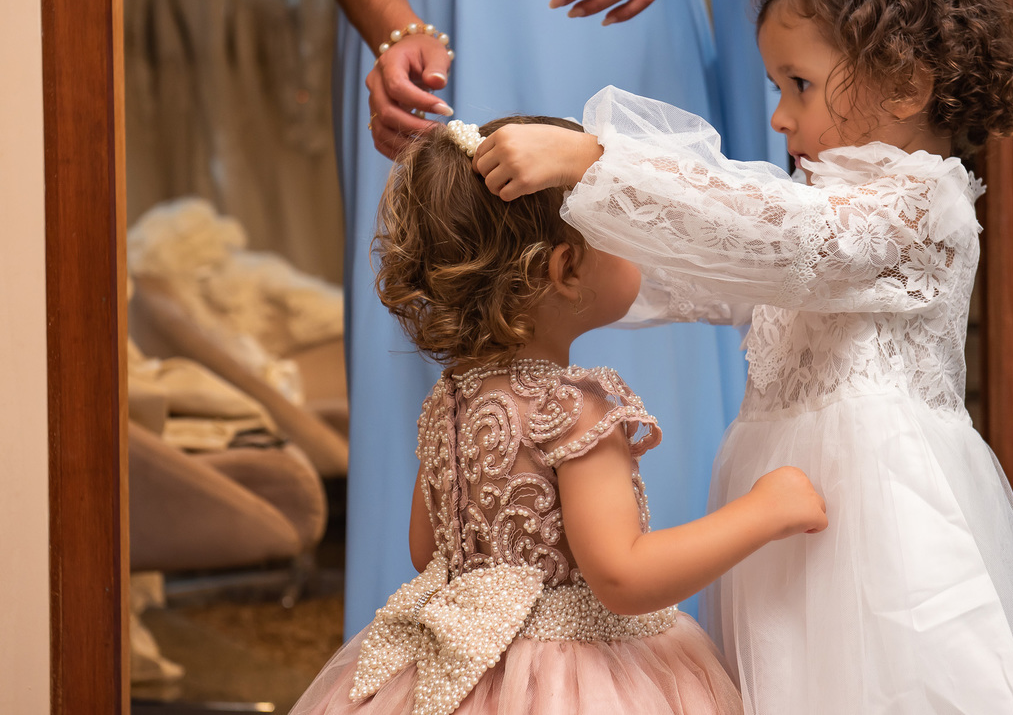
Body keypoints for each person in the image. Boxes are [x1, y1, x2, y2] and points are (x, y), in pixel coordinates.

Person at [471, 0, 1013, 715]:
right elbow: (706, 271)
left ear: (905, 84)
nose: (778, 117)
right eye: (777, 87)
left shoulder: (918, 208)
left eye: (798, 84)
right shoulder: (808, 214)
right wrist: (551, 273)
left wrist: (598, 163)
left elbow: (789, 242)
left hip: (881, 527)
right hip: (786, 521)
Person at [310, 0, 782, 632]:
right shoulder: (589, 413)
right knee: (477, 232)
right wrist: (392, 27)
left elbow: (421, 545)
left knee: (641, 260)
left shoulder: (460, 416)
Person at [288, 116, 828, 715]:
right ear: (567, 269)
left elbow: (428, 551)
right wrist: (765, 511)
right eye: (619, 226)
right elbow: (623, 577)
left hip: (462, 673)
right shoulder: (574, 410)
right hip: (581, 685)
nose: (638, 242)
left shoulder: (453, 400)